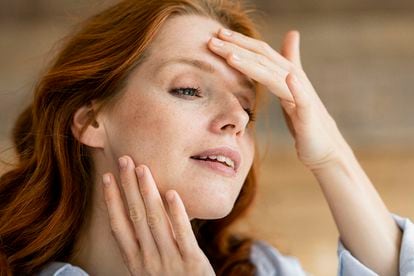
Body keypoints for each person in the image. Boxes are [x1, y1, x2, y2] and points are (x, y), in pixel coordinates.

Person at [0, 0, 412, 275]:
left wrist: (330, 153)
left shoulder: (265, 268)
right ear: (92, 120)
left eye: (247, 110)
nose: (236, 118)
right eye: (189, 89)